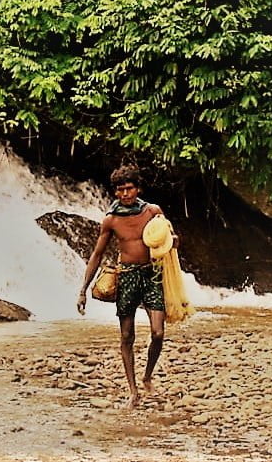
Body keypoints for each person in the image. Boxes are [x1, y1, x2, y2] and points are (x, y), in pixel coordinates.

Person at [76, 165, 178, 408]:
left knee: (158, 333)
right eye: (120, 190)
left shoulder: (153, 212)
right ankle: (133, 391)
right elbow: (97, 254)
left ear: (138, 188)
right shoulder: (111, 220)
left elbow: (173, 238)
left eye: (129, 189)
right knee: (126, 336)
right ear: (115, 192)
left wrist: (173, 241)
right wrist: (83, 290)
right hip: (127, 277)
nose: (125, 194)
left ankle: (147, 376)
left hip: (152, 274)